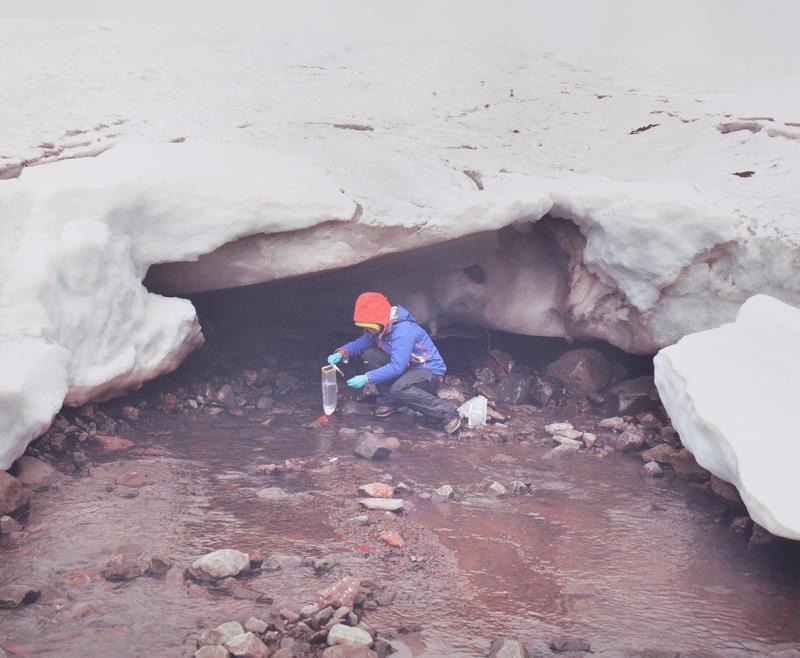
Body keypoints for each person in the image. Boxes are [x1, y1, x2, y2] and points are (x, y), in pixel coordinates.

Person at [327, 292, 461, 434]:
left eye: (368, 326)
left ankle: (448, 414)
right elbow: (359, 344)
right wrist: (341, 353)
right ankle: (391, 402)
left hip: (429, 372)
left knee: (399, 389)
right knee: (370, 355)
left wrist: (366, 378)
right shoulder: (378, 330)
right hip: (408, 369)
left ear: (380, 321)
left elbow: (397, 368)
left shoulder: (403, 331)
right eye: (364, 326)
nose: (367, 330)